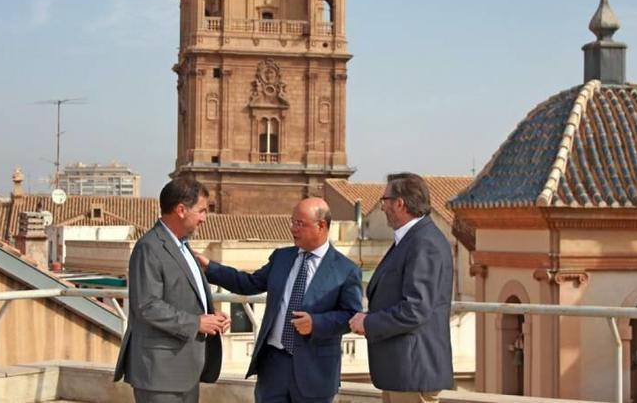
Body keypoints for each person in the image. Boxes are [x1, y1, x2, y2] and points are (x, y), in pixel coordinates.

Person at [194, 197, 362, 403]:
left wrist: (316, 323)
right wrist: (210, 268)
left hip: (315, 372)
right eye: (292, 222)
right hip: (273, 368)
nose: (293, 229)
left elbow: (351, 316)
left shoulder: (346, 270)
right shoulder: (282, 258)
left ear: (322, 225)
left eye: (300, 223)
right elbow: (248, 283)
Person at [114, 178, 230, 403]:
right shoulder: (149, 248)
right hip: (160, 373)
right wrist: (196, 323)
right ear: (181, 210)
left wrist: (212, 316)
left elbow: (184, 298)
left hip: (186, 370)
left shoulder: (184, 248)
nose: (205, 218)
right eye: (202, 211)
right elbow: (147, 306)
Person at [349, 172, 454, 403]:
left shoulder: (424, 242)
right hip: (401, 371)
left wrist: (368, 323)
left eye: (384, 200)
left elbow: (415, 309)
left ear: (399, 203)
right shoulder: (410, 239)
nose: (382, 207)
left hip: (413, 371)